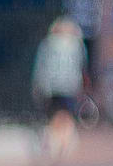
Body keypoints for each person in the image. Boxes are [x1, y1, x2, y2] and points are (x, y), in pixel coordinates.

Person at [31, 13, 87, 156]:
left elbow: (40, 66)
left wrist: (39, 84)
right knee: (65, 114)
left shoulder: (48, 43)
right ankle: (63, 141)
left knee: (56, 114)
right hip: (68, 85)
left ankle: (57, 141)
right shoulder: (76, 44)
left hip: (53, 86)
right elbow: (81, 66)